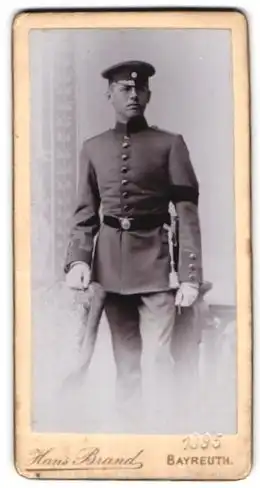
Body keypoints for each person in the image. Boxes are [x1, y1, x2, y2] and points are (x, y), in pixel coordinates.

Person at [64, 60, 203, 430]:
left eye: (139, 89)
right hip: (109, 269)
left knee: (159, 360)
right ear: (109, 94)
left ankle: (165, 433)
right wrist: (79, 261)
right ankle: (131, 436)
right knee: (125, 362)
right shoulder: (93, 148)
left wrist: (189, 276)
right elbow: (84, 213)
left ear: (149, 94)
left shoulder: (169, 144)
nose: (133, 95)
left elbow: (187, 213)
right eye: (124, 89)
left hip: (157, 267)